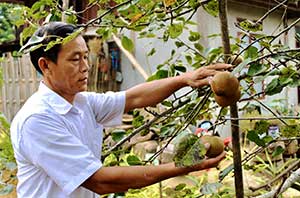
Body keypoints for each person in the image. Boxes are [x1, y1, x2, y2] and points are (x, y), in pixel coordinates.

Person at [10, 22, 230, 198]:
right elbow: (100, 181)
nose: (86, 66)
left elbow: (135, 97)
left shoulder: (82, 102)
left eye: (86, 56)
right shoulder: (37, 120)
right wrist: (181, 167)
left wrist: (185, 79)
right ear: (45, 65)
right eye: (75, 59)